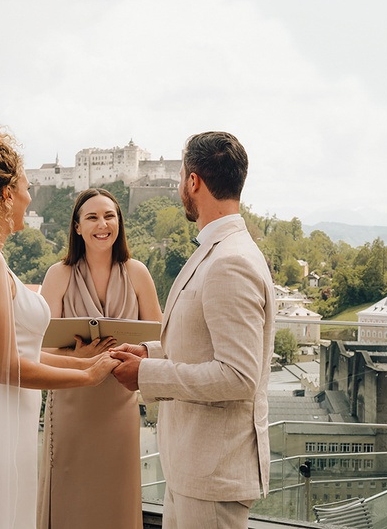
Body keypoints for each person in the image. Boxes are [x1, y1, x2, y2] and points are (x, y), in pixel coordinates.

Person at [0, 121, 120, 529]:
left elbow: (15, 351)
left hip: (2, 421)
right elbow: (6, 366)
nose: (31, 198)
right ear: (8, 193)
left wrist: (77, 359)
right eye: (27, 188)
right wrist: (88, 377)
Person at [111, 131, 275, 529]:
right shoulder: (219, 249)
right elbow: (201, 345)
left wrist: (147, 375)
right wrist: (151, 352)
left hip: (213, 475)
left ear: (193, 182)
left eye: (182, 174)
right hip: (195, 469)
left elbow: (237, 376)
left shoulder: (230, 261)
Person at [37, 188, 162, 528]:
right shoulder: (58, 275)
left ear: (119, 223)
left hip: (120, 403)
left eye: (109, 216)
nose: (102, 224)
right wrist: (78, 356)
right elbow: (40, 350)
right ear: (77, 227)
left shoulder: (138, 273)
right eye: (91, 217)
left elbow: (160, 339)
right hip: (70, 402)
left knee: (116, 499)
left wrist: (138, 353)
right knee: (70, 496)